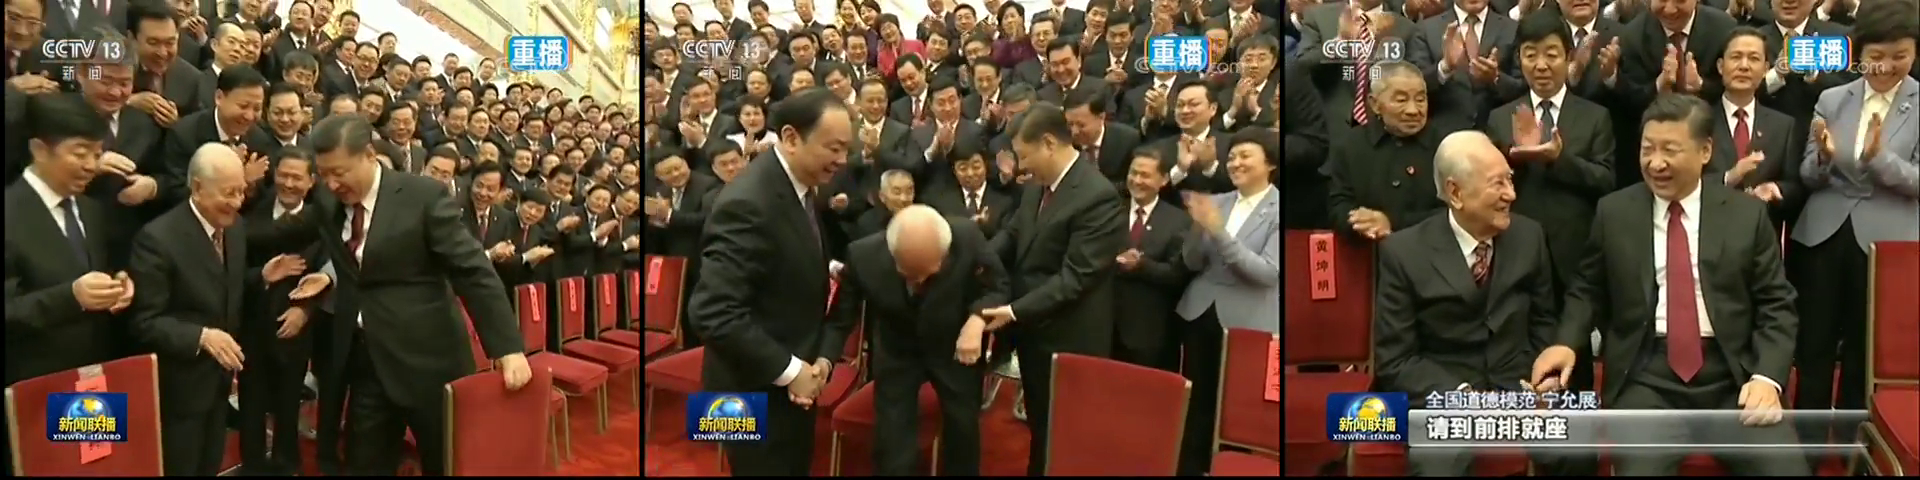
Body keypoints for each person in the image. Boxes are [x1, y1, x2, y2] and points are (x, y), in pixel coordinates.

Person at [1531, 95, 1806, 476]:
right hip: (1646, 376)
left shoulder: (1746, 214)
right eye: (1647, 149)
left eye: (1670, 150)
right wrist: (1565, 342)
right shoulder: (1615, 211)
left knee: (1787, 470)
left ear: (1705, 150)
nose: (1655, 162)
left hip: (1732, 378)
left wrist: (1767, 379)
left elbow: (1777, 303)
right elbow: (1587, 288)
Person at [272, 114, 533, 475]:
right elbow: (282, 233)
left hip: (428, 361)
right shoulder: (331, 202)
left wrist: (506, 347)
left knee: (444, 461)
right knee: (365, 464)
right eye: (324, 174)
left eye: (339, 172)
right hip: (368, 361)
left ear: (367, 155)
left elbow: (472, 269)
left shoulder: (421, 196)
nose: (330, 183)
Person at [685, 88, 857, 476]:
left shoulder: (802, 186)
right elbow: (712, 312)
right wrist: (793, 371)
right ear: (792, 138)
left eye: (847, 148)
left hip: (791, 383)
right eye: (833, 148)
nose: (842, 160)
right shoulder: (747, 202)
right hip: (743, 391)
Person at [1374, 131, 1560, 475]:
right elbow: (1396, 360)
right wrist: (1462, 397)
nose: (1511, 195)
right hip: (1445, 389)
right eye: (1497, 185)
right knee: (1439, 460)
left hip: (1517, 383)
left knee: (1573, 447)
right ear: (1455, 193)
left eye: (1510, 180)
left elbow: (1544, 322)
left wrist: (1543, 378)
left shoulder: (1529, 235)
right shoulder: (1403, 253)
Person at [126, 144, 305, 475]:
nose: (237, 202)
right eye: (228, 193)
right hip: (179, 387)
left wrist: (261, 277)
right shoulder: (158, 239)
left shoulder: (233, 227)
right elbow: (143, 321)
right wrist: (201, 336)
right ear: (197, 187)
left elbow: (222, 287)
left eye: (241, 191)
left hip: (220, 382)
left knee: (209, 463)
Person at [1788, 1, 1917, 448]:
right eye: (1877, 55)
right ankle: (1805, 446)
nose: (1887, 65)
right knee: (1815, 346)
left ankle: (1853, 446)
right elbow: (1807, 173)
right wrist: (1823, 156)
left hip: (1888, 245)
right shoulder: (1831, 98)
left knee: (1865, 353)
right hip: (1823, 235)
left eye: (1900, 55)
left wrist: (1878, 159)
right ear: (1860, 54)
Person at [976, 102, 1127, 476]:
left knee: (1066, 432)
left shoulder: (1097, 196)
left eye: (1025, 156)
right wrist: (977, 262)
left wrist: (1013, 311)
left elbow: (1076, 277)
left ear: (1048, 143)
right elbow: (1013, 235)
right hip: (1033, 331)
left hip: (1069, 336)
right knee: (1041, 424)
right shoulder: (1037, 188)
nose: (1021, 166)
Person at [830, 205, 1008, 475]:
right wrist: (822, 360)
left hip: (953, 346)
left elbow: (999, 287)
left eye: (933, 271)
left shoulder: (968, 237)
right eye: (912, 274)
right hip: (898, 348)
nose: (923, 280)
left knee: (963, 428)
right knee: (893, 438)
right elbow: (841, 318)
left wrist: (977, 319)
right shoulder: (862, 256)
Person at [1173, 129, 1282, 475]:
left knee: (1237, 408)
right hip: (1200, 312)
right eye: (1232, 156)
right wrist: (1196, 229)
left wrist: (1218, 231)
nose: (1236, 162)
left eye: (1245, 155)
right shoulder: (1218, 200)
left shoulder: (1280, 208)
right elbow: (1191, 262)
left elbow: (1266, 272)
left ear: (1271, 164)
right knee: (1195, 402)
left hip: (1249, 321)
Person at [4, 94, 131, 389]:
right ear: (39, 149)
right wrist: (71, 297)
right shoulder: (9, 213)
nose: (91, 166)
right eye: (80, 153)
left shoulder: (91, 209)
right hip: (34, 388)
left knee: (95, 438)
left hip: (94, 384)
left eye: (97, 154)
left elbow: (100, 270)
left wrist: (119, 285)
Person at [237, 147, 330, 476]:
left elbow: (332, 276)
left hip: (297, 328)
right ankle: (252, 466)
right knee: (251, 405)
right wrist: (262, 275)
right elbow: (231, 269)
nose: (289, 183)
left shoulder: (323, 221)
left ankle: (286, 465)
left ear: (311, 181)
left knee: (289, 405)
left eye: (297, 177)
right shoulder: (250, 212)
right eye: (283, 175)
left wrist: (304, 312)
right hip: (252, 324)